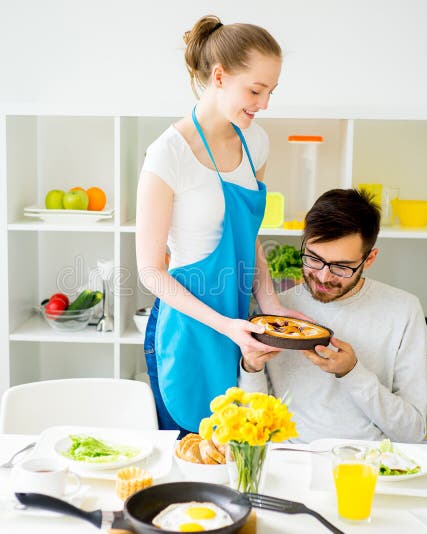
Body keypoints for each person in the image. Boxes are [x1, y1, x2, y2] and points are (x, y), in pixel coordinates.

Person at [136, 15, 303, 435]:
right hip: (187, 322)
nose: (263, 103)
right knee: (190, 453)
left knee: (239, 452)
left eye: (271, 92)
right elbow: (150, 271)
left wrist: (271, 305)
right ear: (219, 76)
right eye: (255, 89)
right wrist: (226, 326)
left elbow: (248, 239)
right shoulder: (167, 155)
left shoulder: (256, 142)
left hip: (239, 316)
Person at [239, 189, 427, 443]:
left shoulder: (404, 310)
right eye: (314, 259)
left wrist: (352, 372)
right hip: (289, 458)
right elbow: (254, 424)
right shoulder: (276, 311)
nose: (323, 277)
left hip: (368, 462)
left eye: (341, 267)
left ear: (369, 258)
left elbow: (412, 432)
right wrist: (251, 368)